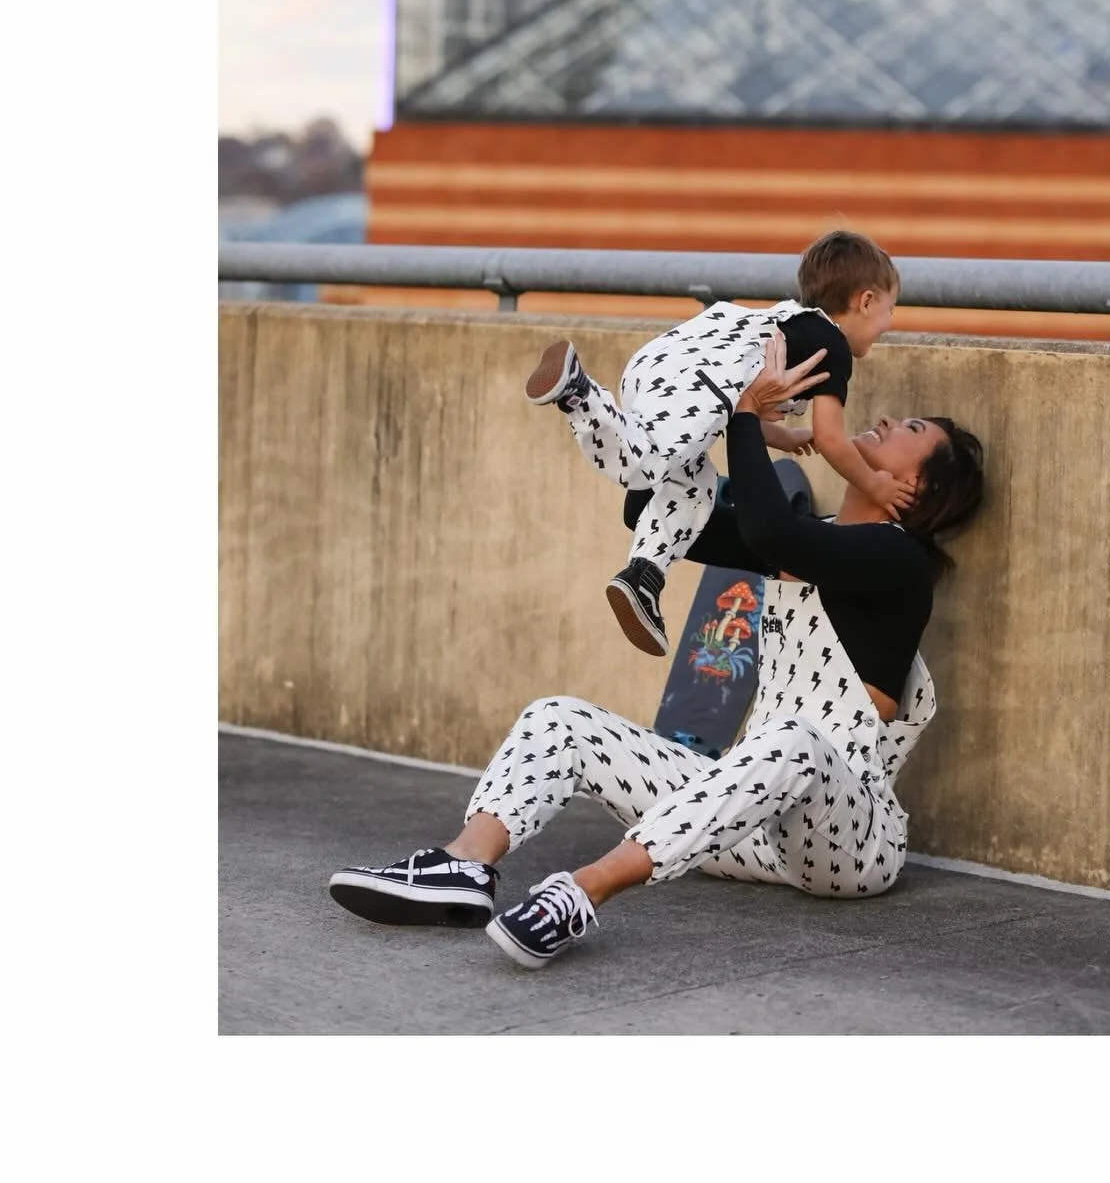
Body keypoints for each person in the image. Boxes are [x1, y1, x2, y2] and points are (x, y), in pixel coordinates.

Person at [328, 332, 985, 971]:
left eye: (912, 431)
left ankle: (582, 892)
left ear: (917, 491)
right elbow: (646, 507)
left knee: (793, 738)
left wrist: (749, 417)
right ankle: (463, 864)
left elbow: (772, 532)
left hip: (847, 842)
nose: (890, 418)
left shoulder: (897, 561)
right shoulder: (808, 538)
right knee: (559, 719)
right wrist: (693, 417)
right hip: (745, 824)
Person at [524, 229, 914, 658]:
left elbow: (738, 408)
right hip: (696, 382)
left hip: (666, 365)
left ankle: (643, 576)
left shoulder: (793, 325)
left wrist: (783, 437)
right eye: (890, 309)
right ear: (866, 301)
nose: (889, 323)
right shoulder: (832, 345)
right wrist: (876, 483)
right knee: (644, 464)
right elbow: (833, 438)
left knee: (695, 489)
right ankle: (580, 394)